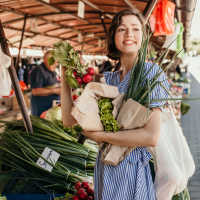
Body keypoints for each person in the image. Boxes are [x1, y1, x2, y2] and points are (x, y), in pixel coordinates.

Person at [62, 8, 169, 200]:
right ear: (113, 36)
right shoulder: (108, 79)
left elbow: (150, 136)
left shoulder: (151, 74)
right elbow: (69, 120)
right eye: (122, 29)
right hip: (105, 170)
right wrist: (65, 78)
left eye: (135, 29)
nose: (129, 34)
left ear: (144, 37)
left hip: (130, 172)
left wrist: (100, 136)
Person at [30, 51, 60, 117]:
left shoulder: (52, 71)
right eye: (52, 62)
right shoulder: (38, 70)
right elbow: (35, 91)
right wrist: (55, 91)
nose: (55, 64)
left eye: (56, 62)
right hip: (41, 108)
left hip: (50, 107)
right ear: (45, 60)